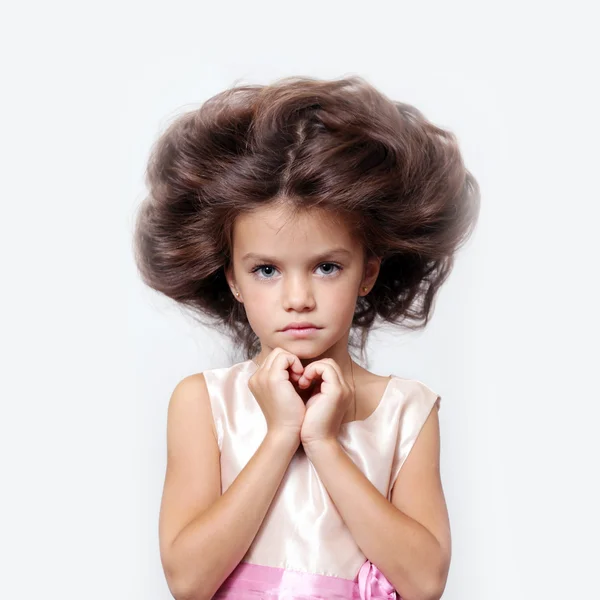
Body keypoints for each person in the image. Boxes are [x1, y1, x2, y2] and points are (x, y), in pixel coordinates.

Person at [133, 75, 480, 600]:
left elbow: (426, 581)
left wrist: (322, 443)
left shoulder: (407, 412)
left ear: (367, 272)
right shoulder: (203, 404)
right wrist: (280, 436)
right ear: (232, 278)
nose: (298, 298)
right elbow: (188, 580)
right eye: (267, 270)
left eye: (326, 267)